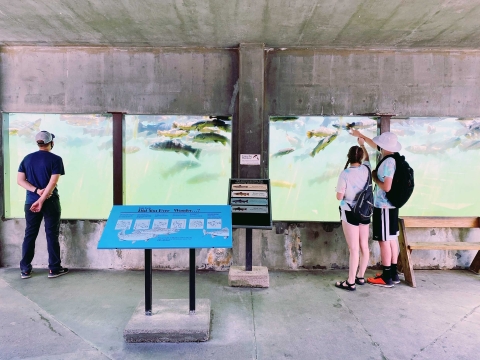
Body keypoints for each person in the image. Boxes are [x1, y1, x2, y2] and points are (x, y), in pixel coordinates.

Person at [350, 129, 401, 288]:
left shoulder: (387, 162)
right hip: (391, 206)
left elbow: (386, 186)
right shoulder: (392, 157)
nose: (378, 145)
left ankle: (386, 278)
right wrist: (362, 139)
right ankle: (392, 273)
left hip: (383, 206)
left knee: (384, 241)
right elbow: (374, 145)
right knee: (391, 238)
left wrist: (373, 176)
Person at [17, 130, 68, 279]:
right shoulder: (56, 159)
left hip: (31, 202)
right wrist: (42, 199)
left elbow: (20, 181)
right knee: (51, 234)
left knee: (30, 234)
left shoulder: (27, 159)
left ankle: (25, 269)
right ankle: (54, 269)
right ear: (51, 143)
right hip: (50, 202)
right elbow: (52, 183)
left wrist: (36, 192)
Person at [334, 137, 371, 291]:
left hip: (350, 213)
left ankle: (350, 282)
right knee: (364, 246)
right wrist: (362, 144)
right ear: (361, 157)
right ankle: (360, 276)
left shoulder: (345, 173)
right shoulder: (367, 169)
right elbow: (368, 158)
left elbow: (339, 197)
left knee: (353, 249)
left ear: (348, 157)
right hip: (365, 212)